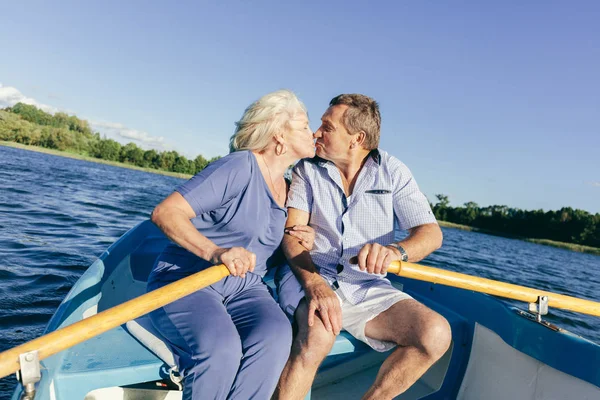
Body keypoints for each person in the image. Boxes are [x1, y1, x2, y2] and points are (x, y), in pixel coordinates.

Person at [274, 94, 452, 400]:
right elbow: (292, 235)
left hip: (367, 285)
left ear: (357, 138)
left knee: (435, 334)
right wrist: (315, 284)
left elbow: (431, 234)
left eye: (326, 127)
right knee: (318, 334)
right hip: (310, 274)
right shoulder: (307, 169)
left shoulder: (393, 172)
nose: (317, 132)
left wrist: (396, 252)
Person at [147, 89, 316, 400]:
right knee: (221, 348)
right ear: (279, 132)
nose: (314, 132)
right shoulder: (239, 167)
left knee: (277, 336)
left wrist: (300, 241)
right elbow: (166, 213)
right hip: (190, 278)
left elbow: (261, 250)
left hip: (246, 288)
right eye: (304, 125)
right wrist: (216, 252)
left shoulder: (290, 189)